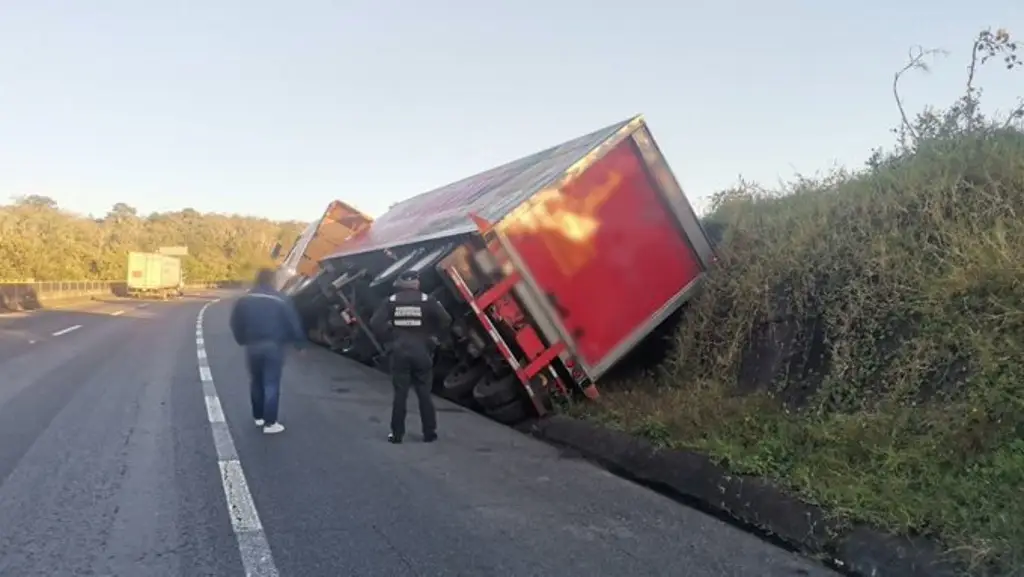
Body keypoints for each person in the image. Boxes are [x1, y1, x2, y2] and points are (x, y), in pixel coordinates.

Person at [370, 269, 453, 444]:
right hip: (422, 352)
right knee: (424, 394)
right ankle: (429, 433)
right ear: (417, 284)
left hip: (399, 352)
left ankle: (397, 434)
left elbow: (375, 323)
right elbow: (446, 319)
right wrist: (432, 336)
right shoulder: (427, 300)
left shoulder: (390, 302)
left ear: (400, 285)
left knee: (400, 395)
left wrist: (391, 337)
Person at [229, 268, 306, 434]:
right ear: (273, 280)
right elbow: (292, 322)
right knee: (271, 383)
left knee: (256, 381)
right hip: (273, 346)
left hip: (252, 346)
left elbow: (235, 322)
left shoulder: (244, 299)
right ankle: (270, 424)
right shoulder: (280, 299)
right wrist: (299, 344)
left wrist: (241, 339)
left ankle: (258, 417)